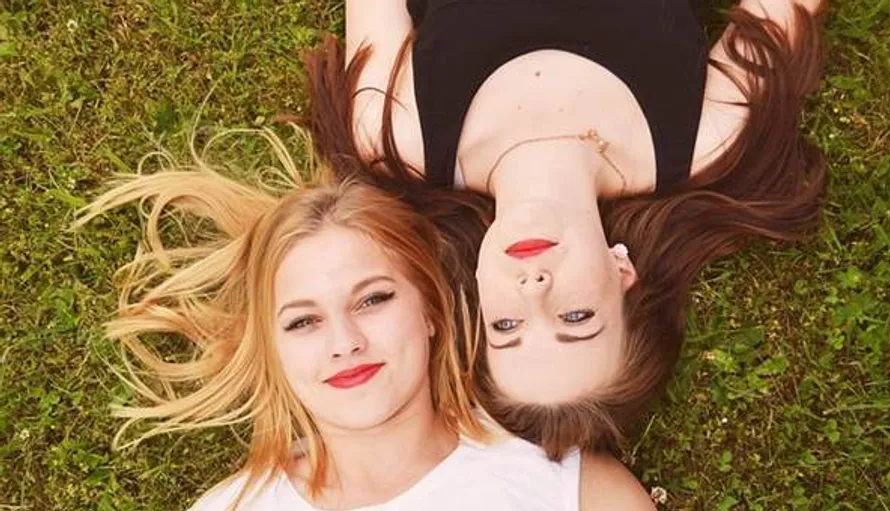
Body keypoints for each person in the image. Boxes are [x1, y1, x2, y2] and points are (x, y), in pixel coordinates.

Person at [294, 0, 829, 458]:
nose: (534, 290)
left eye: (507, 327)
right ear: (624, 273)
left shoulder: (392, 139)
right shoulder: (706, 142)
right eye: (576, 317)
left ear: (477, 298)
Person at [75, 130, 656, 510]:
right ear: (272, 348)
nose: (345, 343)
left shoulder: (573, 494)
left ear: (430, 309)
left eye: (372, 300)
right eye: (303, 323)